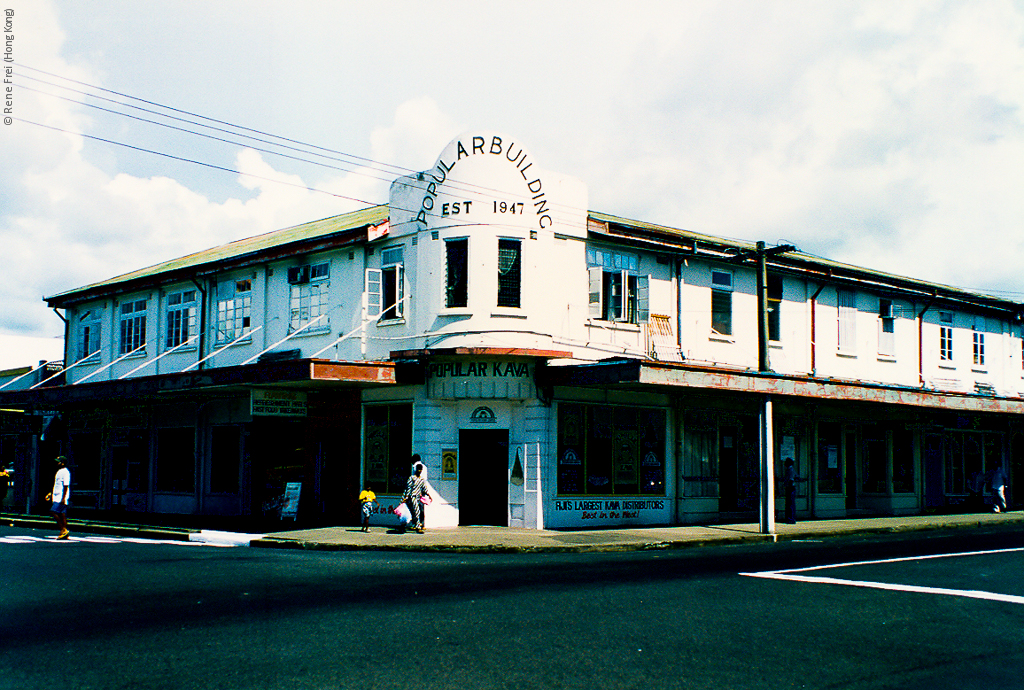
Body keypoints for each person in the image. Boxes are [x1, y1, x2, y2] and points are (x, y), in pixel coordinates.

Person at [45, 456, 71, 540]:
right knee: (62, 514)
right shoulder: (59, 471)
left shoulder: (66, 472)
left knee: (53, 511)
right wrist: (51, 494)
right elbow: (56, 485)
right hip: (56, 495)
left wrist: (63, 498)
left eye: (58, 462)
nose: (57, 463)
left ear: (62, 463)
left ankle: (63, 529)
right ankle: (64, 532)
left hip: (61, 496)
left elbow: (66, 486)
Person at [401, 458, 430, 534]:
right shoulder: (412, 478)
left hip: (417, 497)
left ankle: (416, 526)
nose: (419, 471)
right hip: (412, 497)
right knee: (414, 512)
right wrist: (406, 497)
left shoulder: (422, 479)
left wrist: (429, 495)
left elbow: (424, 488)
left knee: (416, 512)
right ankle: (415, 526)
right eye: (418, 469)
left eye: (421, 470)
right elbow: (408, 488)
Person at [783, 458, 797, 525]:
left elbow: (791, 479)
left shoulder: (790, 470)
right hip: (790, 488)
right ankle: (790, 518)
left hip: (790, 488)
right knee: (790, 503)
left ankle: (791, 519)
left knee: (790, 503)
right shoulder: (789, 470)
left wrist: (788, 486)